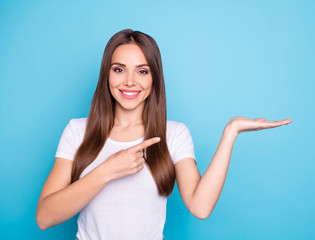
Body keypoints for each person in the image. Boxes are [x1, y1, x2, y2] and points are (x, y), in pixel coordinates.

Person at [35, 29, 292, 240]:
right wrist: (107, 171)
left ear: (154, 78)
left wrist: (231, 131)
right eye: (119, 69)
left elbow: (200, 207)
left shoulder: (175, 134)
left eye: (142, 71)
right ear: (107, 75)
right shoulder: (77, 130)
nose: (130, 81)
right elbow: (45, 217)